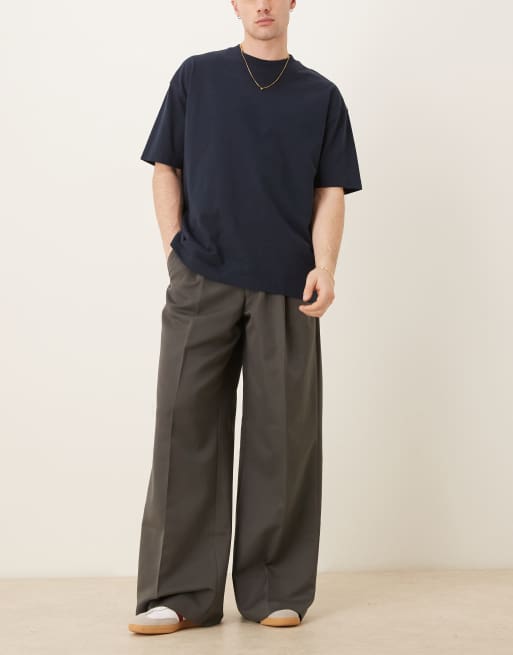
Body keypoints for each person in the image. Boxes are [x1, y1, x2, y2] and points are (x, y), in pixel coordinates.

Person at [128, 0, 362, 635]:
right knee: (184, 427)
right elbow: (166, 166)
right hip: (201, 277)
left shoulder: (321, 96)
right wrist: (176, 250)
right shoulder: (197, 77)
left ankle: (274, 588)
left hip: (287, 285)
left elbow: (330, 191)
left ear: (292, 3)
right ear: (234, 3)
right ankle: (177, 593)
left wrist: (326, 266)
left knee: (282, 437)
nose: (262, 4)